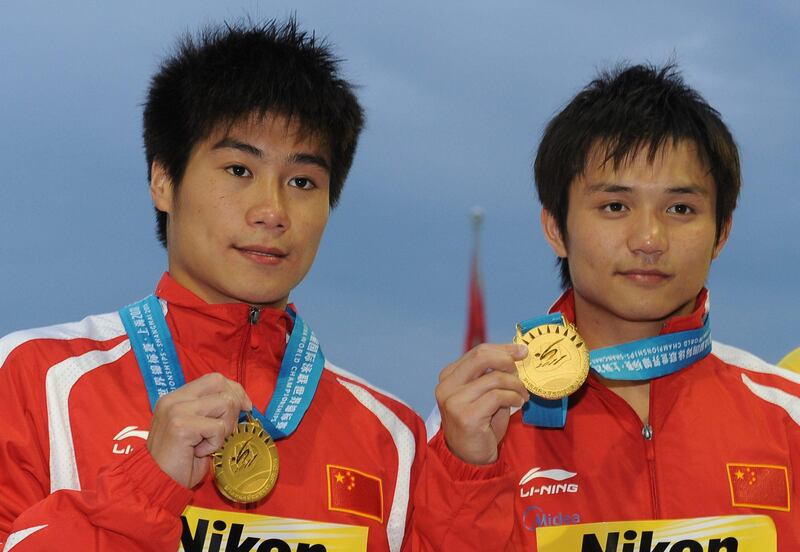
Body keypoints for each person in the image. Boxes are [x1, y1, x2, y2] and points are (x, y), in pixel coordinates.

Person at [0, 20, 425, 552]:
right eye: (238, 169)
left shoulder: (394, 439)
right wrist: (146, 489)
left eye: (302, 182)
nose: (272, 211)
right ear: (163, 180)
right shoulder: (30, 380)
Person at [417, 64, 800, 550]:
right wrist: (467, 473)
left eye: (680, 208)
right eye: (615, 206)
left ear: (721, 232)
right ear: (557, 228)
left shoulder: (789, 416)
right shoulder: (479, 420)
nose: (649, 239)